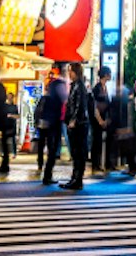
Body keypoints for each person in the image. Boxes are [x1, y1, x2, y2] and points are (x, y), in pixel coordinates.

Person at [62, 61, 91, 190]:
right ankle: (75, 178)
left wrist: (73, 120)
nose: (69, 73)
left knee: (78, 152)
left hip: (78, 125)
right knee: (76, 152)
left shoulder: (79, 86)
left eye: (70, 71)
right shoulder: (76, 86)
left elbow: (79, 105)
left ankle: (77, 179)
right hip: (78, 124)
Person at [37, 66, 68, 185]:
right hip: (53, 122)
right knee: (52, 149)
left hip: (44, 122)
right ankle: (47, 175)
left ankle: (43, 169)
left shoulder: (50, 88)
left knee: (45, 146)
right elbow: (65, 99)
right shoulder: (60, 85)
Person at [91, 66, 114, 174]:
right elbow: (94, 106)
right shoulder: (97, 88)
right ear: (105, 75)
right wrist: (100, 120)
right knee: (97, 142)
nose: (110, 76)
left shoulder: (104, 87)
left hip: (104, 118)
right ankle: (95, 164)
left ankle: (104, 163)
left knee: (103, 141)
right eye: (109, 74)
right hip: (97, 120)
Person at [0, 91, 19, 175]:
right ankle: (5, 160)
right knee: (4, 142)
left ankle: (12, 154)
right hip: (5, 125)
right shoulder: (4, 106)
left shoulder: (14, 106)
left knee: (10, 140)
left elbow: (17, 116)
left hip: (11, 125)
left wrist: (11, 116)